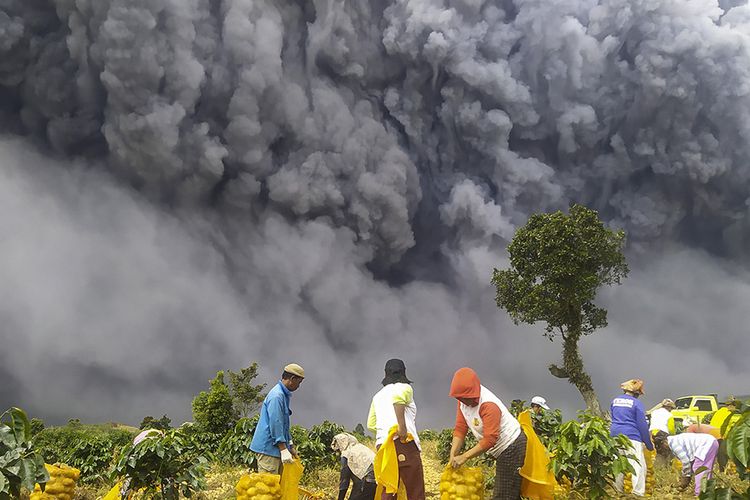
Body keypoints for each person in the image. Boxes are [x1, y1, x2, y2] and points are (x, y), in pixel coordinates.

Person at [449, 367, 526, 500]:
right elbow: (461, 427)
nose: (463, 401)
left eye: (465, 398)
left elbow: (490, 440)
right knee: (509, 490)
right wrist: (453, 453)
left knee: (503, 495)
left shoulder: (489, 405)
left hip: (511, 446)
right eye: (459, 398)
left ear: (473, 392)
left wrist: (464, 457)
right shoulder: (463, 400)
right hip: (500, 448)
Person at [368, 358, 425, 500]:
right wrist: (402, 428)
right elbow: (398, 400)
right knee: (415, 490)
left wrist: (384, 436)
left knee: (389, 489)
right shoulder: (404, 387)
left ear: (385, 374)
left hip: (383, 446)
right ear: (404, 372)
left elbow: (371, 424)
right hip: (403, 442)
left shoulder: (377, 396)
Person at [250, 363, 305, 474]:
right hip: (268, 449)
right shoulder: (276, 396)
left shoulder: (284, 395)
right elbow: (276, 423)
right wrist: (283, 449)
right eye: (298, 383)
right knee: (268, 485)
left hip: (276, 449)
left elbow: (284, 424)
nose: (298, 386)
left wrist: (290, 445)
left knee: (277, 486)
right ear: (292, 379)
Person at [610, 379, 653, 497]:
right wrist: (648, 443)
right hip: (631, 436)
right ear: (637, 393)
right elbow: (642, 425)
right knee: (637, 464)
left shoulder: (615, 401)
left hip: (615, 436)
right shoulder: (636, 403)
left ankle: (618, 490)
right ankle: (638, 493)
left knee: (618, 463)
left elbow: (613, 418)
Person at [653, 430, 719, 496]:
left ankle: (700, 494)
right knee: (704, 470)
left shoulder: (674, 445)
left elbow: (686, 462)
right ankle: (707, 492)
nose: (664, 450)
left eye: (662, 448)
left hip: (706, 445)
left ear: (664, 442)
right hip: (711, 442)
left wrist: (686, 477)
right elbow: (690, 462)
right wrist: (688, 476)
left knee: (699, 468)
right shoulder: (674, 440)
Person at [332, 433, 377, 500]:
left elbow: (344, 480)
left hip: (367, 481)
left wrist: (340, 498)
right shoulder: (361, 447)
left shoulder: (346, 454)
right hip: (377, 480)